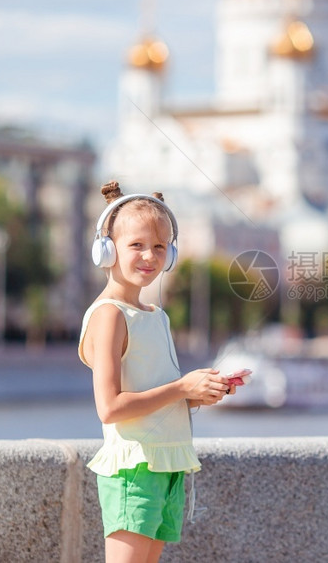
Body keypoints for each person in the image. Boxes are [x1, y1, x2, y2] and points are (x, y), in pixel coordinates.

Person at [78, 181, 233, 563]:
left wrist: (199, 392)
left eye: (160, 246)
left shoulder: (156, 316)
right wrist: (182, 386)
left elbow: (158, 393)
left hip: (166, 464)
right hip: (134, 468)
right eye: (137, 245)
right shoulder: (109, 314)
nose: (150, 255)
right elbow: (110, 407)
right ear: (107, 249)